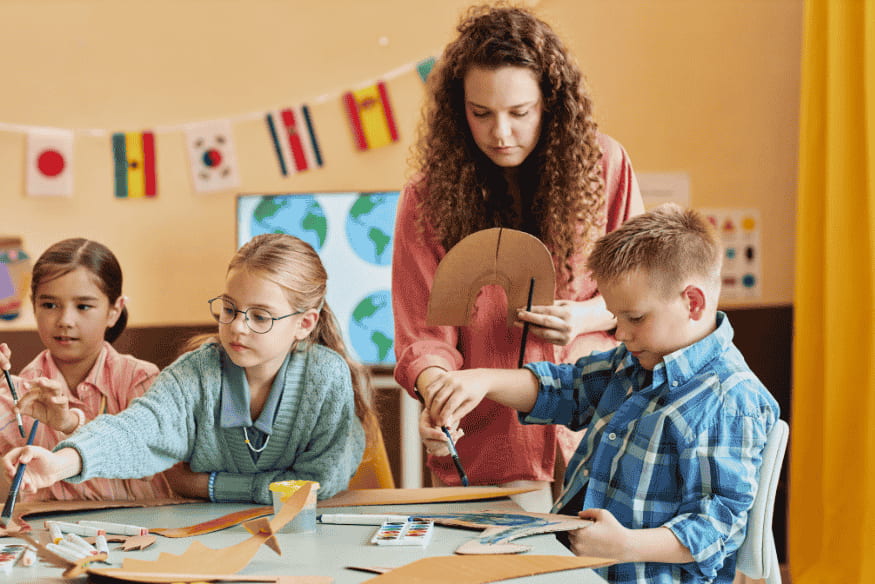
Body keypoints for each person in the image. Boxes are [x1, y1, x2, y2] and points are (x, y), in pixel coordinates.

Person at [424, 204, 779, 584]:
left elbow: (716, 530)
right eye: (616, 317)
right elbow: (567, 388)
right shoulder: (635, 360)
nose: (621, 333)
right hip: (582, 569)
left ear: (693, 303)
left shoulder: (729, 401)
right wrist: (482, 381)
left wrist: (627, 545)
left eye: (635, 317)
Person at [392, 4, 644, 509]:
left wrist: (585, 317)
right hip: (487, 446)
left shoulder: (606, 168)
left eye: (519, 113)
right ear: (458, 109)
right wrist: (438, 394)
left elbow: (644, 297)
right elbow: (424, 336)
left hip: (598, 436)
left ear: (551, 103)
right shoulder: (426, 199)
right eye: (480, 113)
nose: (500, 133)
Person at [2, 233, 372, 505]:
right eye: (229, 309)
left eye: (260, 316)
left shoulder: (326, 377)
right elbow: (137, 431)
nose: (238, 327)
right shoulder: (196, 373)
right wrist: (58, 464)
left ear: (304, 324)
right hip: (209, 535)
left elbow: (320, 481)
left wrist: (209, 486)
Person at [0, 238, 174, 502]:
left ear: (114, 310)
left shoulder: (139, 379)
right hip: (47, 526)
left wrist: (71, 424)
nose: (65, 320)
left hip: (138, 521)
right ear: (34, 306)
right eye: (49, 305)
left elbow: (150, 460)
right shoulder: (18, 391)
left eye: (83, 306)